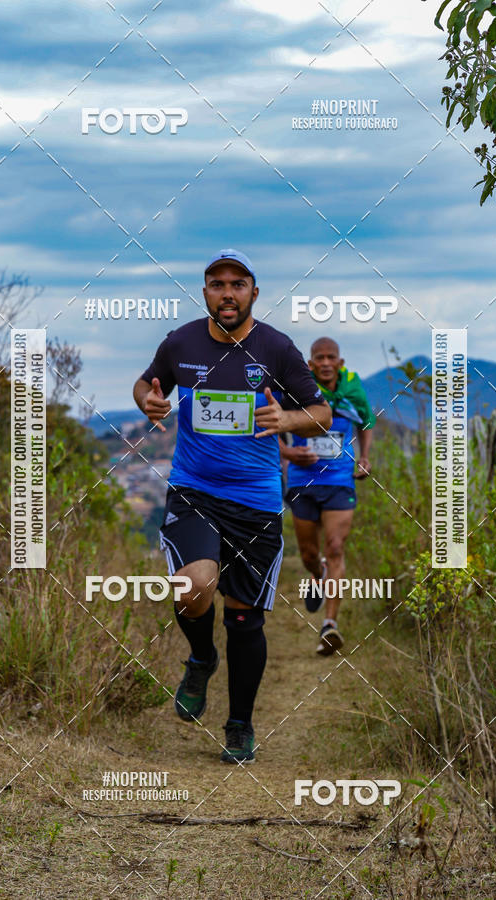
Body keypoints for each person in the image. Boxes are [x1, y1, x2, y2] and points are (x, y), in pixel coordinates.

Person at [133, 250, 331, 763]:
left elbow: (321, 413)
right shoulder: (181, 342)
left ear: (253, 293)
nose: (227, 292)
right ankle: (201, 658)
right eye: (217, 283)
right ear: (205, 292)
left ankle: (239, 724)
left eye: (237, 284)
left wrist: (287, 421)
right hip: (194, 490)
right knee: (192, 585)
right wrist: (147, 402)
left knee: (244, 619)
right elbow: (146, 382)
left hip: (256, 501)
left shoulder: (277, 349)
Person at [279, 337, 375, 655]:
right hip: (302, 482)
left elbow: (367, 420)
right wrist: (290, 453)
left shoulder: (351, 392)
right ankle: (317, 575)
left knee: (335, 547)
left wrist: (364, 456)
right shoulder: (296, 393)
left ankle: (329, 625)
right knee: (309, 553)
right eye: (318, 357)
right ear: (310, 364)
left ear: (340, 362)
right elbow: (272, 427)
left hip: (339, 481)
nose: (324, 363)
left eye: (330, 357)